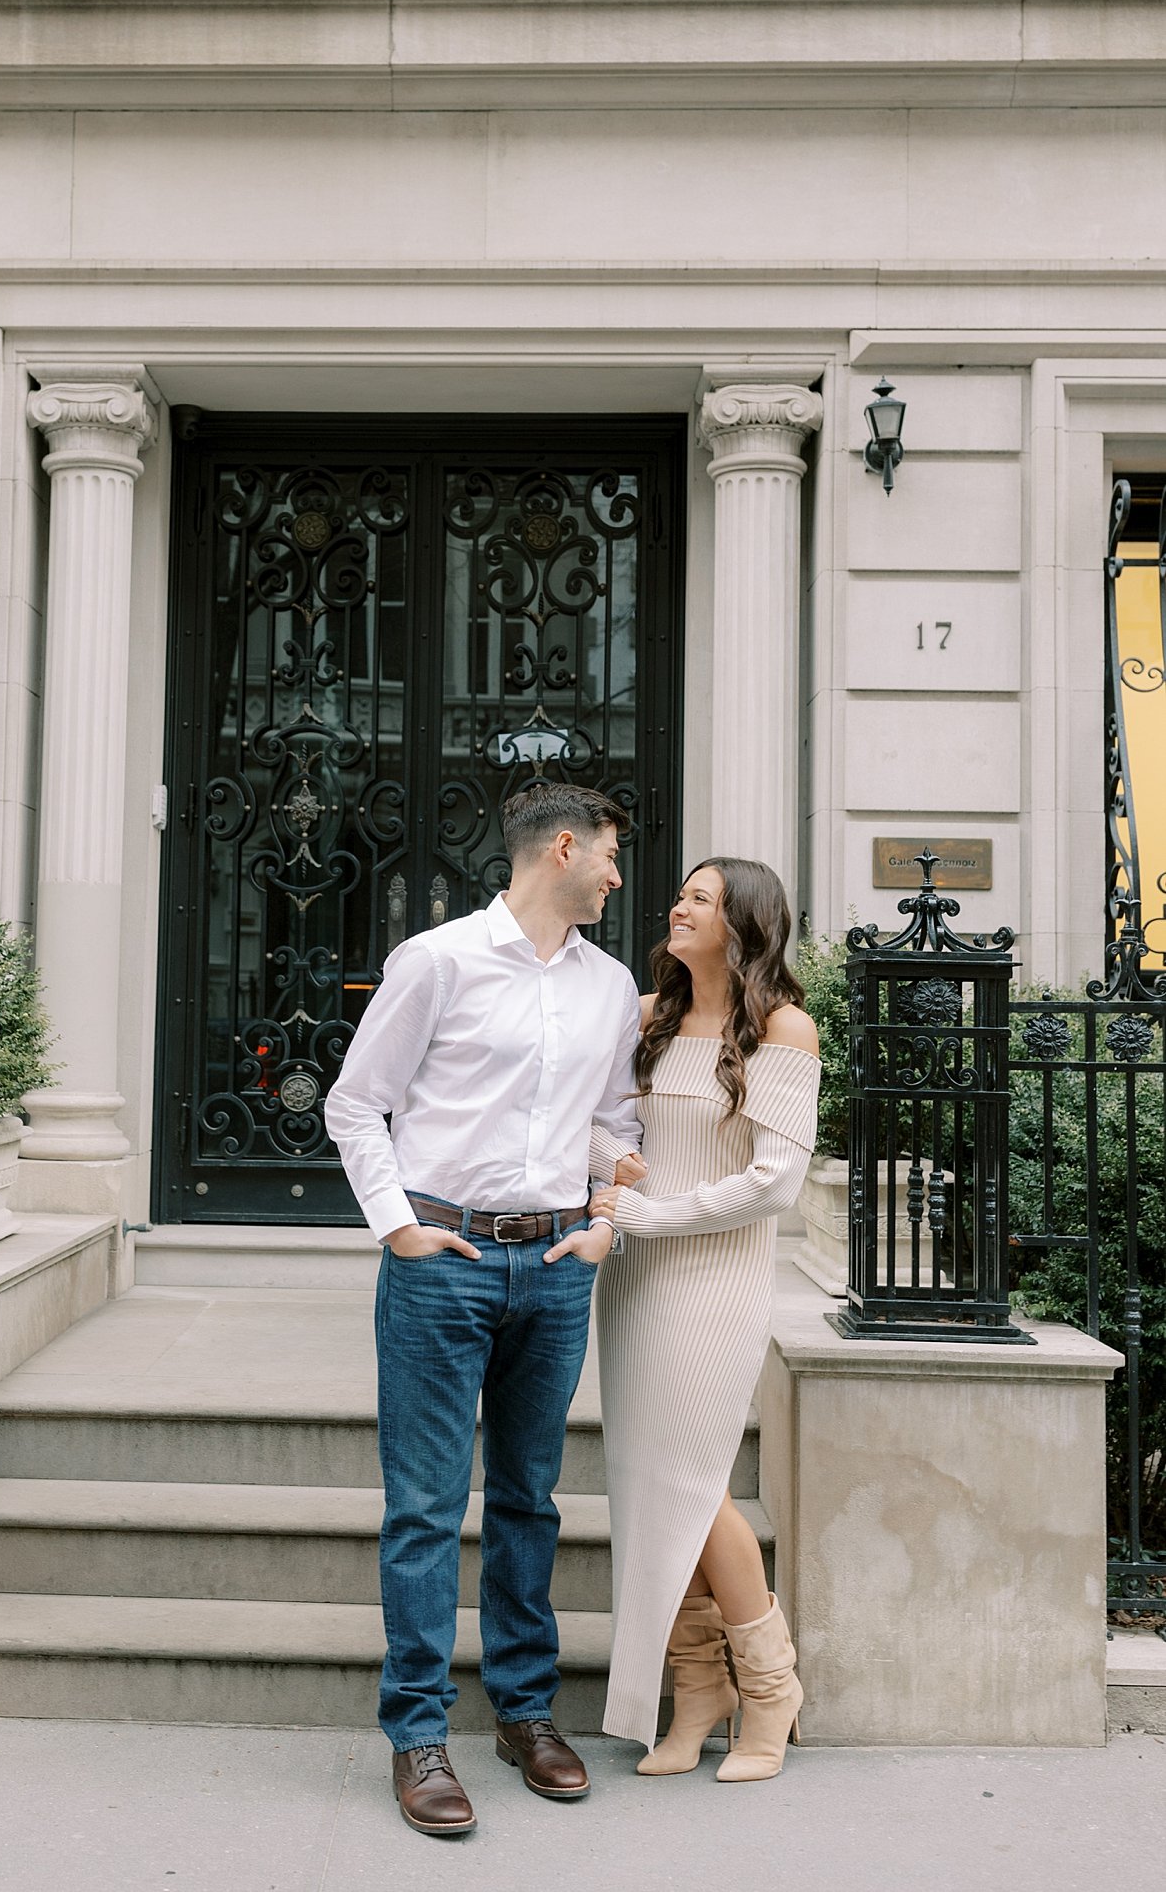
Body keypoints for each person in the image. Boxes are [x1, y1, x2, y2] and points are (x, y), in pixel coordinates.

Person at [324, 782, 644, 1839]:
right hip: (444, 1258)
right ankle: (419, 1733)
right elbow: (356, 1100)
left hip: (555, 1264)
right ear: (563, 847)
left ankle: (522, 1712)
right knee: (424, 1506)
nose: (615, 874)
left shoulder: (610, 986)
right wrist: (396, 1226)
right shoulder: (438, 960)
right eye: (608, 855)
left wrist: (609, 1210)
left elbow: (610, 1121)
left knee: (530, 1498)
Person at [586, 857, 821, 1783]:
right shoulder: (646, 1016)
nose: (677, 906)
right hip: (636, 1276)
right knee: (648, 1485)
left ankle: (769, 1687)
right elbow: (602, 1124)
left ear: (744, 922)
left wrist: (655, 1210)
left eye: (701, 898)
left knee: (691, 1484)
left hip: (714, 1278)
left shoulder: (783, 1029)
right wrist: (618, 1165)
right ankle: (697, 1690)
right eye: (680, 892)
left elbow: (777, 1181)